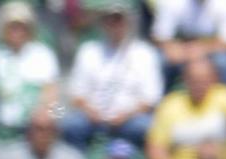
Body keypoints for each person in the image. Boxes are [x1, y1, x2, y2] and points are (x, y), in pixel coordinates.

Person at [63, 0, 164, 150]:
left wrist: (126, 116)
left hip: (130, 119)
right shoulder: (89, 51)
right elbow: (76, 94)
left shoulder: (144, 53)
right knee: (70, 124)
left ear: (127, 22)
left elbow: (150, 99)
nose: (115, 24)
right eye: (110, 20)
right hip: (93, 118)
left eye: (119, 19)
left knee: (146, 126)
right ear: (103, 22)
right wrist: (92, 113)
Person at [146, 54, 226, 159]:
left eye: (204, 80)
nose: (199, 85)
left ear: (214, 79)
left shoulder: (225, 96)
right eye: (194, 80)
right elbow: (156, 148)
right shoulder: (170, 104)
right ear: (185, 80)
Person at [0, 1, 59, 137]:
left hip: (31, 128)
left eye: (22, 27)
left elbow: (52, 95)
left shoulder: (43, 54)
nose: (17, 32)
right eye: (13, 27)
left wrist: (48, 115)